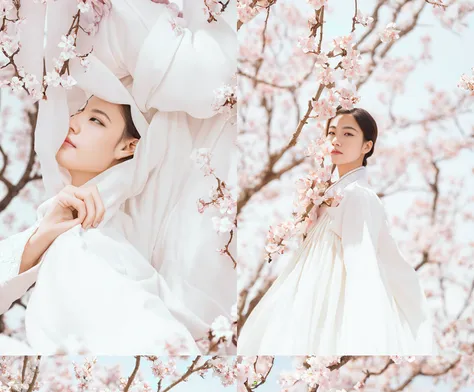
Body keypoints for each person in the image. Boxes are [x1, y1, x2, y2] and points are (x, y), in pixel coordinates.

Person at [0, 0, 236, 355]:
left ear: (128, 147)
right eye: (79, 112)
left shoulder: (88, 245)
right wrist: (40, 237)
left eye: (96, 120)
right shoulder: (71, 238)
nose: (74, 122)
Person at [238, 108, 434, 356]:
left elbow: (361, 261)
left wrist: (364, 328)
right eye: (331, 133)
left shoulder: (357, 195)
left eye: (348, 133)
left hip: (329, 300)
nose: (336, 140)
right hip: (307, 294)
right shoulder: (329, 194)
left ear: (366, 146)